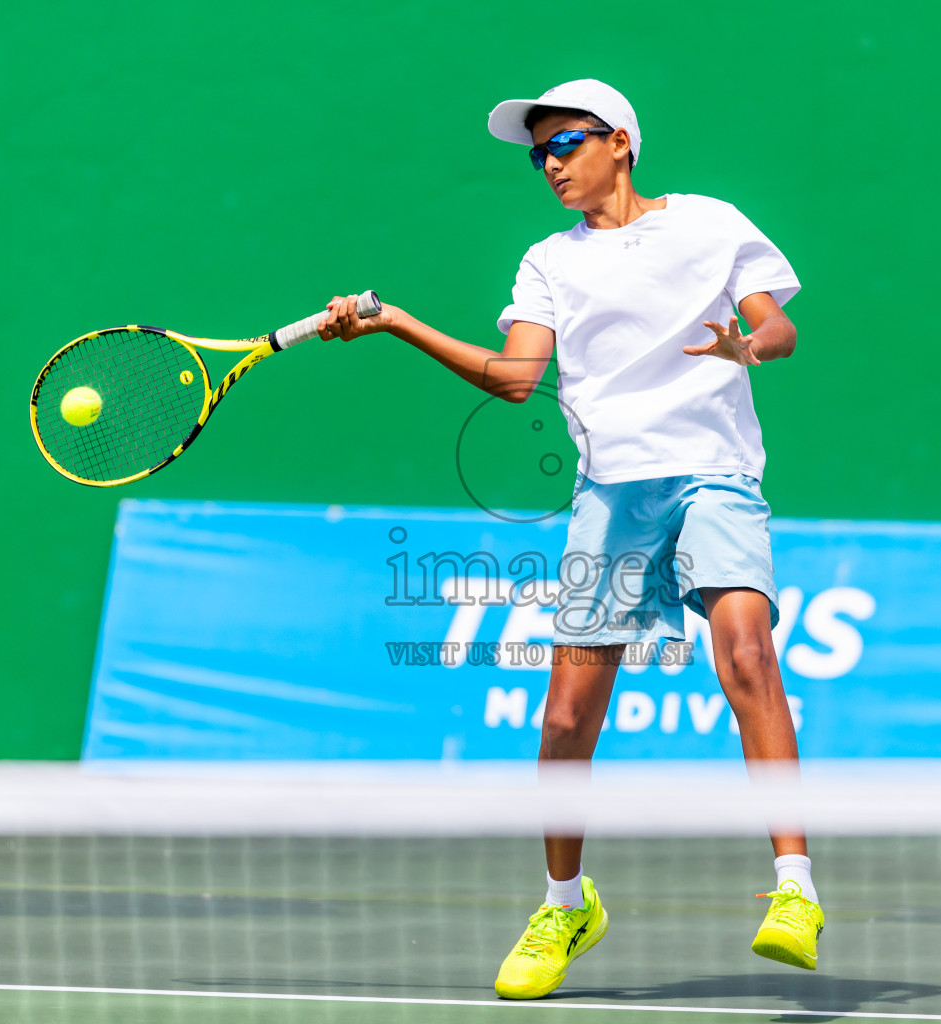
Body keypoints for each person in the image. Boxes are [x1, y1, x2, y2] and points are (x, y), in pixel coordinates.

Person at [314, 78, 821, 1000]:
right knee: (563, 718)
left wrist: (752, 346)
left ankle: (794, 889)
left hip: (714, 474)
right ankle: (564, 902)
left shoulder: (711, 222)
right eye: (537, 150)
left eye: (567, 142)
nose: (548, 162)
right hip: (610, 495)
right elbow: (515, 379)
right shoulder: (548, 261)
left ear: (620, 141)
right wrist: (395, 323)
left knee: (746, 654)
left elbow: (777, 324)